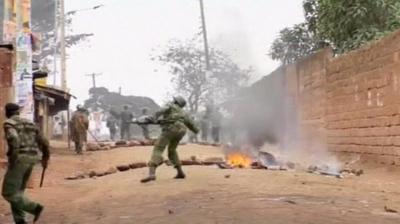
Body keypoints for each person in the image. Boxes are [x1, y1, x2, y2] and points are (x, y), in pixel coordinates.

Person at [2, 103, 50, 224]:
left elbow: (13, 138)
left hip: (19, 159)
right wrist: (45, 157)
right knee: (18, 192)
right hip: (32, 159)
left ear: (7, 113)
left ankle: (34, 208)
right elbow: (44, 141)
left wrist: (14, 157)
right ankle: (20, 220)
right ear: (18, 112)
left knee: (8, 193)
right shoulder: (31, 123)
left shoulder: (9, 123)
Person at [141, 96, 199, 183]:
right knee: (172, 150)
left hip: (171, 128)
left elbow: (160, 111)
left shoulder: (170, 105)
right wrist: (196, 131)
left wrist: (153, 118)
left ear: (175, 101)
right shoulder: (184, 112)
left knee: (158, 148)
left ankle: (151, 174)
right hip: (182, 130)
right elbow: (193, 126)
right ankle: (180, 172)